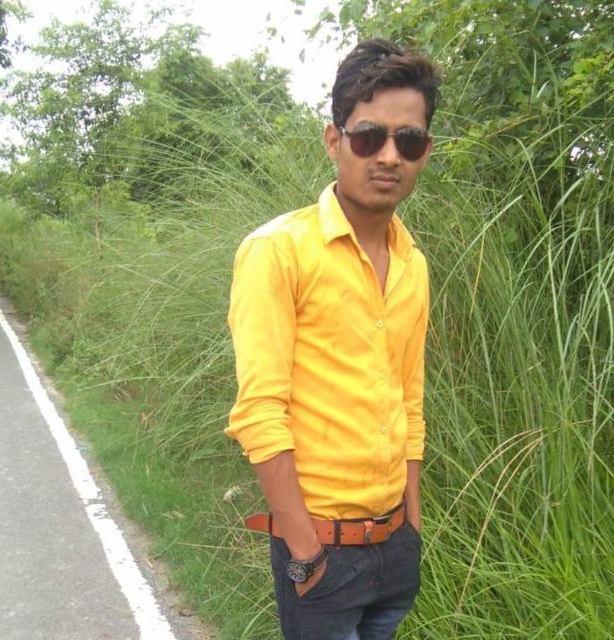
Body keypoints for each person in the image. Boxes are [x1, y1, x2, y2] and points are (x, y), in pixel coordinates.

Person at [225, 38, 440, 640]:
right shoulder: (277, 252)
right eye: (369, 136)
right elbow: (259, 412)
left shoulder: (413, 263)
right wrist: (305, 551)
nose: (389, 156)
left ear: (425, 150)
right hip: (321, 554)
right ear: (333, 140)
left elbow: (410, 399)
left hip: (395, 547)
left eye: (409, 140)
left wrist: (412, 524)